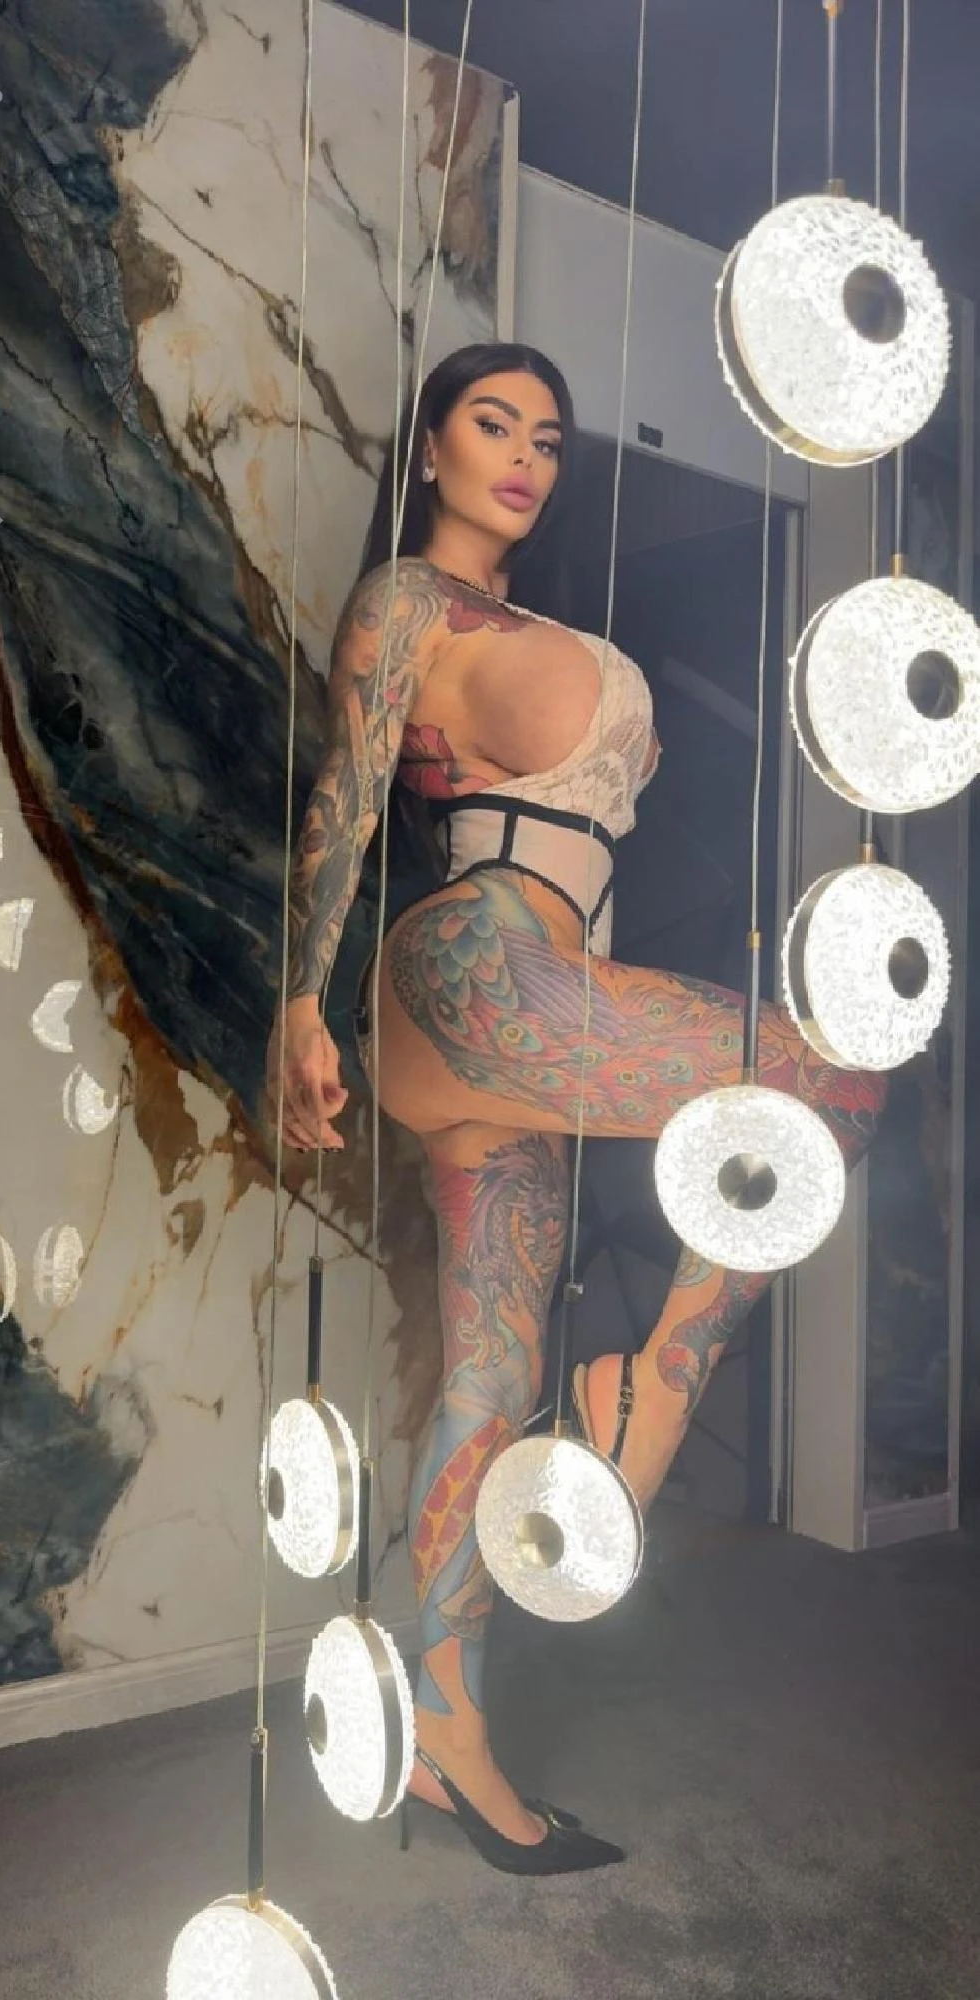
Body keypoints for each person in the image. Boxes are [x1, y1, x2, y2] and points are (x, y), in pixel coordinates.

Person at [266, 342, 886, 1875]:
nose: (526, 459)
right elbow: (346, 795)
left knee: (490, 1380)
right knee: (827, 1070)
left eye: (548, 438)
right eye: (494, 425)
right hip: (479, 968)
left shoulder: (528, 622)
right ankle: (651, 1397)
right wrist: (299, 999)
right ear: (429, 447)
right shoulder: (406, 603)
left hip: (526, 1012)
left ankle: (443, 1726)